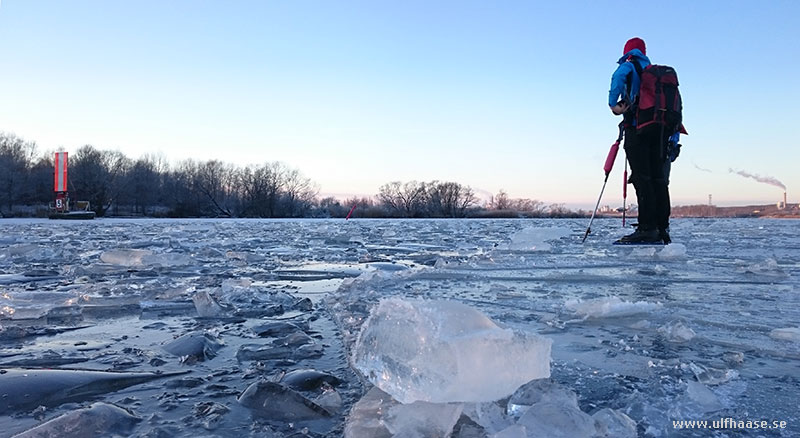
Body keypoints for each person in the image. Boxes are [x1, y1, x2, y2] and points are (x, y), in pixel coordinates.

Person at [608, 37, 672, 244]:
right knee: (657, 179)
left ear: (627, 50)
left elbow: (617, 78)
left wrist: (613, 105)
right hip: (659, 131)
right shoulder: (655, 72)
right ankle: (661, 226)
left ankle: (647, 228)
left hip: (638, 128)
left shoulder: (630, 65)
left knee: (642, 178)